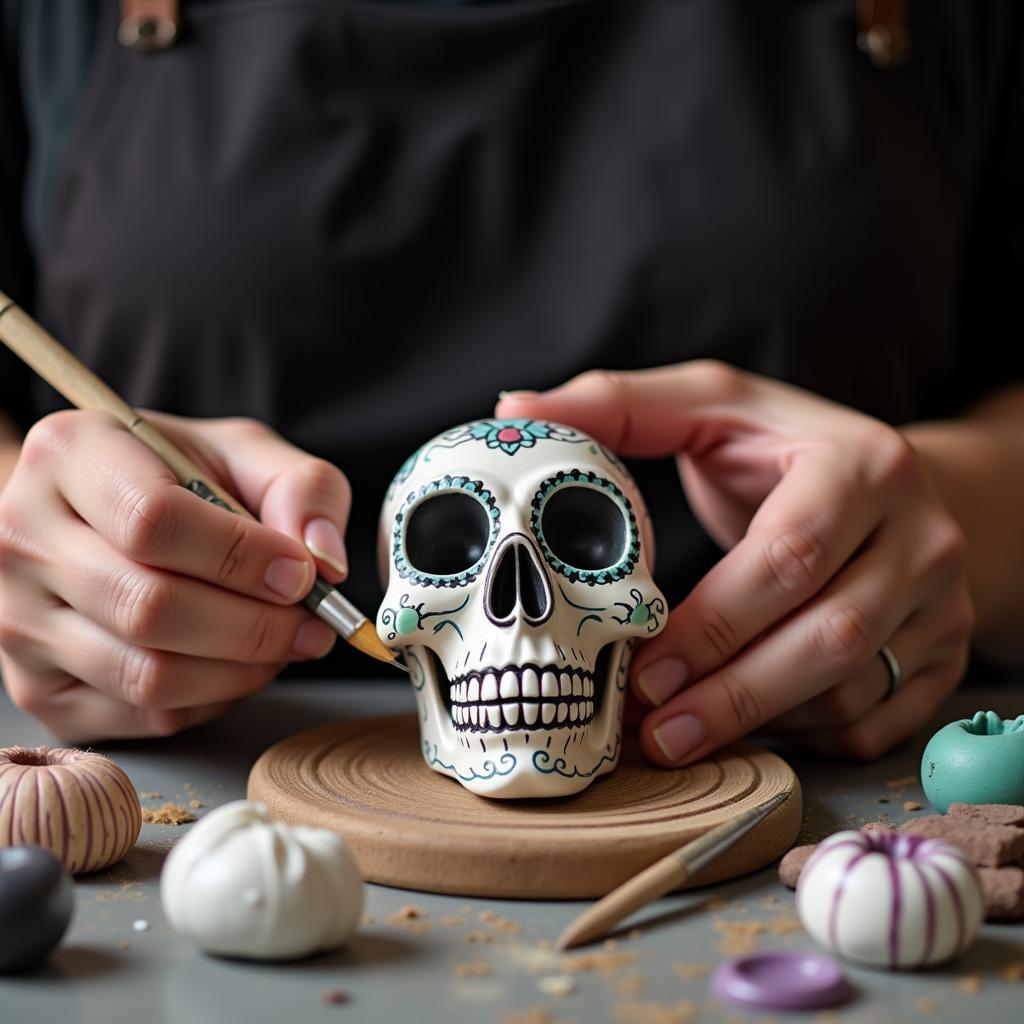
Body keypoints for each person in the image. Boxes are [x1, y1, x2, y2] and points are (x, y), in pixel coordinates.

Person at [0, 0, 1022, 767]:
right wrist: (38, 544)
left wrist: (961, 519)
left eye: (582, 542)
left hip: (843, 775)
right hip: (162, 785)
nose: (515, 608)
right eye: (442, 558)